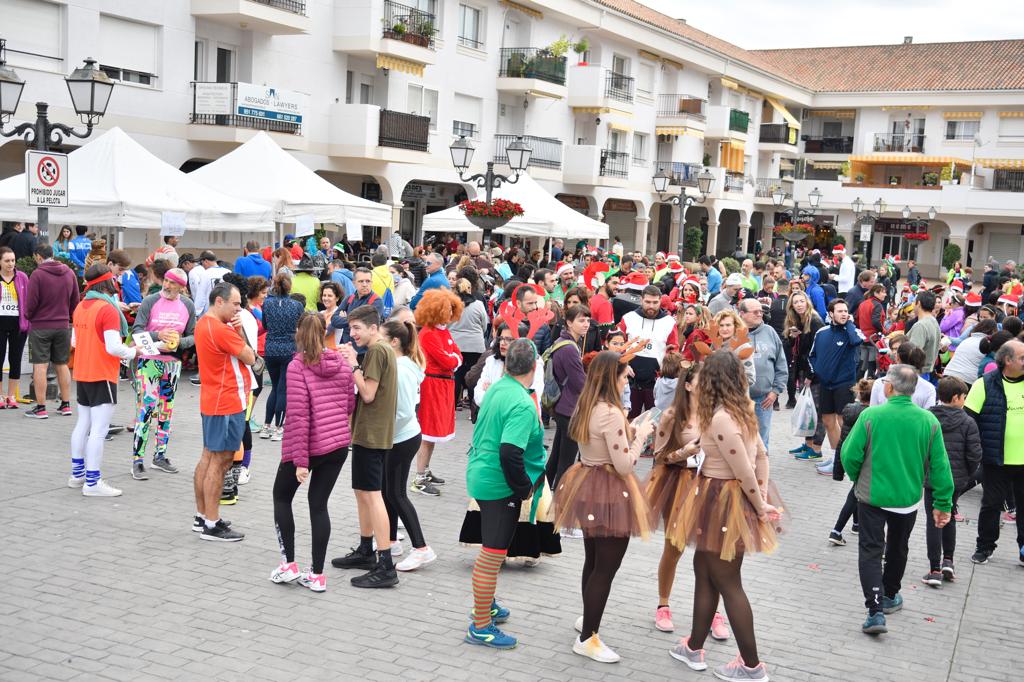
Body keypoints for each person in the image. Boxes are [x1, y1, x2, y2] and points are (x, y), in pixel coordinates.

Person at [667, 350, 781, 680]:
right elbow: (761, 456)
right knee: (704, 570)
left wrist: (759, 504)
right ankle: (693, 647)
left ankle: (751, 665)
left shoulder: (722, 417)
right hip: (722, 499)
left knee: (729, 582)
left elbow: (745, 467)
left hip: (722, 500)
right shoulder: (740, 411)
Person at [552, 352, 653, 663]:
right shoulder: (610, 412)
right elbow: (623, 464)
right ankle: (587, 638)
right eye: (624, 377)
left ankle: (588, 619)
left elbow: (601, 442)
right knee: (605, 569)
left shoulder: (587, 404)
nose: (627, 382)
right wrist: (642, 437)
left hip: (586, 483)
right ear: (612, 378)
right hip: (609, 489)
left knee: (593, 561)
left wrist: (629, 430)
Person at [841, 364, 953, 634]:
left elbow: (849, 455)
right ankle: (890, 594)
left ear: (888, 387)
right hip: (907, 498)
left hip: (872, 496)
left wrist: (860, 477)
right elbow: (940, 467)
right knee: (898, 547)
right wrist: (942, 503)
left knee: (870, 551)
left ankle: (876, 609)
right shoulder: (928, 421)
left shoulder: (872, 416)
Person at [464, 338, 549, 649]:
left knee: (493, 549)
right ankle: (481, 625)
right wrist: (523, 488)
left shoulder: (501, 386)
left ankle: (487, 605)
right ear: (535, 365)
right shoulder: (523, 403)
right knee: (492, 555)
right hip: (499, 484)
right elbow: (510, 452)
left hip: (483, 475)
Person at [270, 312, 355, 592]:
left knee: (281, 497)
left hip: (308, 445)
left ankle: (289, 564)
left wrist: (300, 462)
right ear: (324, 332)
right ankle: (317, 574)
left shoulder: (297, 367)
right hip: (338, 445)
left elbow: (299, 416)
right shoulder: (342, 365)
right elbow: (349, 407)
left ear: (298, 334)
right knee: (318, 506)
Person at [646, 361, 730, 638]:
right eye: (702, 380)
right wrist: (685, 451)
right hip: (680, 483)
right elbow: (658, 457)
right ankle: (663, 604)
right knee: (675, 546)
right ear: (689, 384)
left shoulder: (717, 414)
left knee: (711, 551)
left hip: (711, 485)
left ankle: (714, 613)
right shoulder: (672, 415)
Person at [331, 305, 400, 588]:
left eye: (357, 328)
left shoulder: (376, 351)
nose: (353, 333)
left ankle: (385, 564)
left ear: (374, 328)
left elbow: (368, 394)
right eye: (351, 328)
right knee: (363, 492)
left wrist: (353, 366)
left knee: (372, 496)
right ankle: (365, 550)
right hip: (370, 433)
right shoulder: (381, 351)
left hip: (372, 434)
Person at [67, 265, 139, 497]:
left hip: (83, 372)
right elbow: (113, 347)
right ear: (108, 283)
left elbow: (76, 342)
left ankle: (78, 475)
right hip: (102, 373)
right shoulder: (107, 310)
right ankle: (92, 482)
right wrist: (134, 351)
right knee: (98, 430)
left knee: (83, 424)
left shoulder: (81, 306)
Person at [193, 282, 256, 541]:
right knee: (220, 462)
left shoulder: (202, 324)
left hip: (212, 399)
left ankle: (202, 516)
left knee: (208, 458)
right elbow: (251, 357)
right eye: (236, 303)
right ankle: (211, 522)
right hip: (227, 401)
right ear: (220, 301)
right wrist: (239, 332)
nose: (238, 308)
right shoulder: (223, 330)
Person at [380, 319, 437, 571]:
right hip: (398, 436)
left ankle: (421, 547)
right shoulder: (399, 364)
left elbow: (402, 411)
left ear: (394, 342)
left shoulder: (401, 369)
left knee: (396, 493)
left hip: (401, 437)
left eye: (381, 338)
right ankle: (391, 540)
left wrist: (382, 430)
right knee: (386, 490)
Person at [130, 267, 196, 479]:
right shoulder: (150, 301)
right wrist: (157, 334)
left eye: (172, 283)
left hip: (172, 364)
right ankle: (137, 461)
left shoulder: (187, 305)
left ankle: (160, 456)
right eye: (166, 280)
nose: (167, 286)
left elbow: (193, 336)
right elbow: (137, 330)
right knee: (146, 410)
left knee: (166, 410)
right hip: (149, 362)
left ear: (181, 287)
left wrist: (177, 344)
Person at [918, 376, 981, 586]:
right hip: (955, 480)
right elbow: (974, 455)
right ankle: (948, 561)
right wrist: (965, 475)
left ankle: (934, 569)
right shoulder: (967, 422)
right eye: (964, 396)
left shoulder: (927, 418)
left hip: (932, 479)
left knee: (933, 520)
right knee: (949, 516)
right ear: (956, 398)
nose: (964, 400)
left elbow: (919, 448)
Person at [967, 339, 1024, 566]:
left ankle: (1023, 549)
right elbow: (969, 421)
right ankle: (985, 547)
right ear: (1007, 360)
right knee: (991, 504)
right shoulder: (985, 384)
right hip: (995, 460)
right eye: (1022, 357)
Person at [411, 289, 464, 496]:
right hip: (433, 386)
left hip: (443, 384)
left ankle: (424, 471)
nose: (451, 314)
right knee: (428, 433)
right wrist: (453, 360)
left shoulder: (441, 331)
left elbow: (456, 357)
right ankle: (419, 477)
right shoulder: (429, 334)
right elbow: (449, 360)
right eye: (448, 310)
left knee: (433, 433)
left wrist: (453, 360)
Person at [24, 243, 79, 419]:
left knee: (39, 366)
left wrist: (28, 316)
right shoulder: (69, 273)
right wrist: (68, 317)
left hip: (40, 326)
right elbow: (75, 301)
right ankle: (66, 404)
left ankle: (41, 408)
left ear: (39, 256)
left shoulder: (38, 274)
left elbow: (31, 303)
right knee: (62, 365)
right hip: (62, 326)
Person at [808, 298, 864, 460]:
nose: (844, 314)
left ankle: (843, 458)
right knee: (827, 421)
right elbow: (812, 355)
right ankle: (834, 457)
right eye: (840, 311)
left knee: (842, 421)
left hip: (844, 383)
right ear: (831, 314)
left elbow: (856, 341)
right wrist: (818, 372)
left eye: (846, 311)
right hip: (825, 384)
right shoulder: (822, 333)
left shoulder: (851, 331)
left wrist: (848, 324)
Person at [545, 304, 590, 491]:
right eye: (581, 320)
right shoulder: (570, 348)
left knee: (557, 455)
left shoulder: (564, 342)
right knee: (566, 459)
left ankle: (544, 490)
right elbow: (580, 382)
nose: (586, 324)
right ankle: (560, 498)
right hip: (570, 408)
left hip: (562, 406)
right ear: (569, 323)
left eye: (588, 320)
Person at [826, 378, 874, 546]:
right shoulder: (873, 416)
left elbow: (842, 441)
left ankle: (856, 524)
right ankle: (836, 530)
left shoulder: (849, 411)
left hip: (850, 459)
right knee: (854, 494)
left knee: (857, 490)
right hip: (865, 460)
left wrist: (838, 469)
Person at [619, 285, 679, 418]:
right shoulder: (628, 318)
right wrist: (623, 365)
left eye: (655, 302)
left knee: (655, 423)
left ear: (660, 301)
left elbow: (674, 351)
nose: (651, 306)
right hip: (629, 381)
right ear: (641, 300)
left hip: (655, 382)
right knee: (628, 420)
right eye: (647, 302)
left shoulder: (668, 322)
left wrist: (667, 371)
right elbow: (617, 345)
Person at [260, 274, 304, 441]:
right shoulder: (297, 305)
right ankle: (279, 427)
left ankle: (266, 425)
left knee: (274, 388)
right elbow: (300, 326)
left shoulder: (267, 304)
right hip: (289, 349)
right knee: (283, 389)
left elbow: (265, 325)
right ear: (289, 286)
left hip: (270, 348)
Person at [738, 298, 787, 449]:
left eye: (761, 311)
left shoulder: (770, 332)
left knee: (761, 441)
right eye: (755, 312)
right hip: (736, 399)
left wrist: (775, 391)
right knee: (739, 439)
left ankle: (760, 472)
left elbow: (781, 364)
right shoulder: (733, 333)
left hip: (763, 399)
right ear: (742, 314)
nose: (760, 314)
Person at [450, 273, 488, 413]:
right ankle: (473, 408)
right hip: (476, 344)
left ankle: (451, 408)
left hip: (456, 344)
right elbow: (484, 324)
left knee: (457, 376)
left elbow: (446, 323)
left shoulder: (451, 304)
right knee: (474, 376)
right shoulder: (478, 304)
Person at [0, 247, 30, 408]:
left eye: (12, 260)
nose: (11, 264)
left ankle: (11, 396)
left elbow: (29, 299)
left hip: (18, 324)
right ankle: (0, 396)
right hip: (0, 322)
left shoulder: (22, 277)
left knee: (15, 359)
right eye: (7, 260)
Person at [331, 267, 384, 351]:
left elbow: (366, 324)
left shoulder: (376, 301)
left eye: (368, 281)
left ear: (371, 282)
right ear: (354, 283)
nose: (364, 284)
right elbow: (334, 320)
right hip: (347, 347)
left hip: (365, 351)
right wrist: (356, 321)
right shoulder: (349, 298)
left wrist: (345, 318)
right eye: (361, 281)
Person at [943, 319, 997, 383]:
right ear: (994, 331)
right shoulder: (987, 344)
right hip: (967, 379)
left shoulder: (966, 340)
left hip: (948, 374)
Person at [906, 290, 940, 379]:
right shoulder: (933, 321)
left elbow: (913, 353)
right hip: (926, 372)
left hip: (917, 373)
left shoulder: (921, 325)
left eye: (914, 302)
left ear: (919, 304)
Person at [856, 283, 886, 379]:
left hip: (863, 338)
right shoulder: (877, 305)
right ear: (876, 293)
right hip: (873, 339)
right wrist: (884, 331)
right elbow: (876, 322)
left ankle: (856, 387)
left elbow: (857, 319)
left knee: (862, 366)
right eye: (883, 292)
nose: (885, 294)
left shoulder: (863, 303)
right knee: (871, 366)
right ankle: (869, 390)